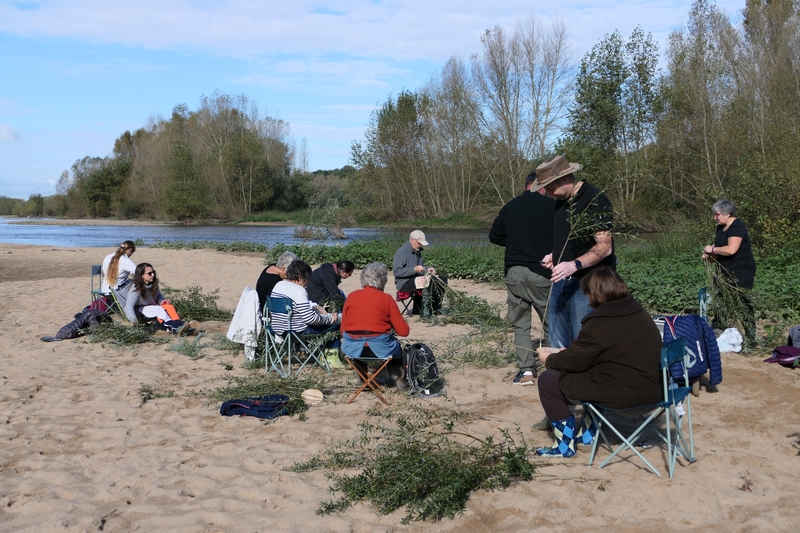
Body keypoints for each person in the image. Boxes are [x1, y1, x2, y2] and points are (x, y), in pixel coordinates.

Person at [535, 267, 662, 458]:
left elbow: (574, 362)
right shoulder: (638, 311)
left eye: (587, 295)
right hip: (657, 392)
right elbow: (598, 351)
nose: (588, 300)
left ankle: (564, 446)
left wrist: (550, 359)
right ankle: (587, 434)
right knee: (595, 370)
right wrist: (572, 352)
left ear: (595, 295)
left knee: (549, 380)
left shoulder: (601, 322)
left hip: (629, 396)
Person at [533, 155, 616, 350]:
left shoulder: (594, 200)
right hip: (561, 281)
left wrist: (574, 264)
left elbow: (604, 246)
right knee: (556, 340)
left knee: (584, 341)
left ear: (564, 179)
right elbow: (570, 239)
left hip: (588, 284)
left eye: (551, 188)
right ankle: (561, 379)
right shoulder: (561, 202)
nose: (550, 194)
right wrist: (556, 254)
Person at [489, 171, 555, 386]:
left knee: (520, 325)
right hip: (541, 272)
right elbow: (564, 237)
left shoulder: (510, 206)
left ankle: (526, 372)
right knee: (550, 323)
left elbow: (495, 236)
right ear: (541, 186)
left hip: (514, 271)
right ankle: (552, 369)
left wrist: (517, 242)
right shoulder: (552, 207)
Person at [702, 200, 757, 344]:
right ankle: (718, 329)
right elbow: (719, 246)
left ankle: (751, 336)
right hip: (723, 270)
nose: (715, 217)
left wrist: (712, 250)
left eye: (717, 214)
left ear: (727, 213)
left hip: (741, 270)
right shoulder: (721, 227)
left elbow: (731, 249)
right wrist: (709, 255)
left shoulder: (737, 227)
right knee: (720, 299)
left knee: (742, 302)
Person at [341, 262, 410, 359]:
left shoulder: (351, 296)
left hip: (351, 348)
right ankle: (394, 373)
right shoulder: (386, 298)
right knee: (397, 348)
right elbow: (404, 332)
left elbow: (342, 329)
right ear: (383, 280)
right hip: (381, 348)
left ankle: (362, 374)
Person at [116, 263, 192, 335]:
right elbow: (128, 306)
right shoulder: (135, 288)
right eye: (149, 273)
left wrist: (162, 301)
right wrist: (133, 320)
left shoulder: (153, 284)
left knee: (169, 306)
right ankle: (175, 328)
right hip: (140, 310)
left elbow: (159, 296)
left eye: (153, 272)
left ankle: (178, 325)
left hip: (152, 307)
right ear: (142, 275)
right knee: (158, 310)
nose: (153, 275)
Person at [269, 260, 340, 336]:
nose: (308, 281)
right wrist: (330, 318)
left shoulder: (278, 285)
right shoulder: (299, 290)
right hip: (296, 332)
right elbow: (310, 319)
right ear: (300, 278)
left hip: (276, 330)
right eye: (308, 278)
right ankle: (333, 348)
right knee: (335, 327)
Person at [392, 230, 447, 316]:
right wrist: (414, 270)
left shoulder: (418, 252)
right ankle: (425, 312)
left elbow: (420, 268)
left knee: (442, 279)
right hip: (404, 283)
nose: (420, 245)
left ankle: (436, 308)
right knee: (430, 281)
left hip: (416, 279)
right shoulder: (402, 252)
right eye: (419, 243)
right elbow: (396, 272)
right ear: (412, 240)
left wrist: (427, 269)